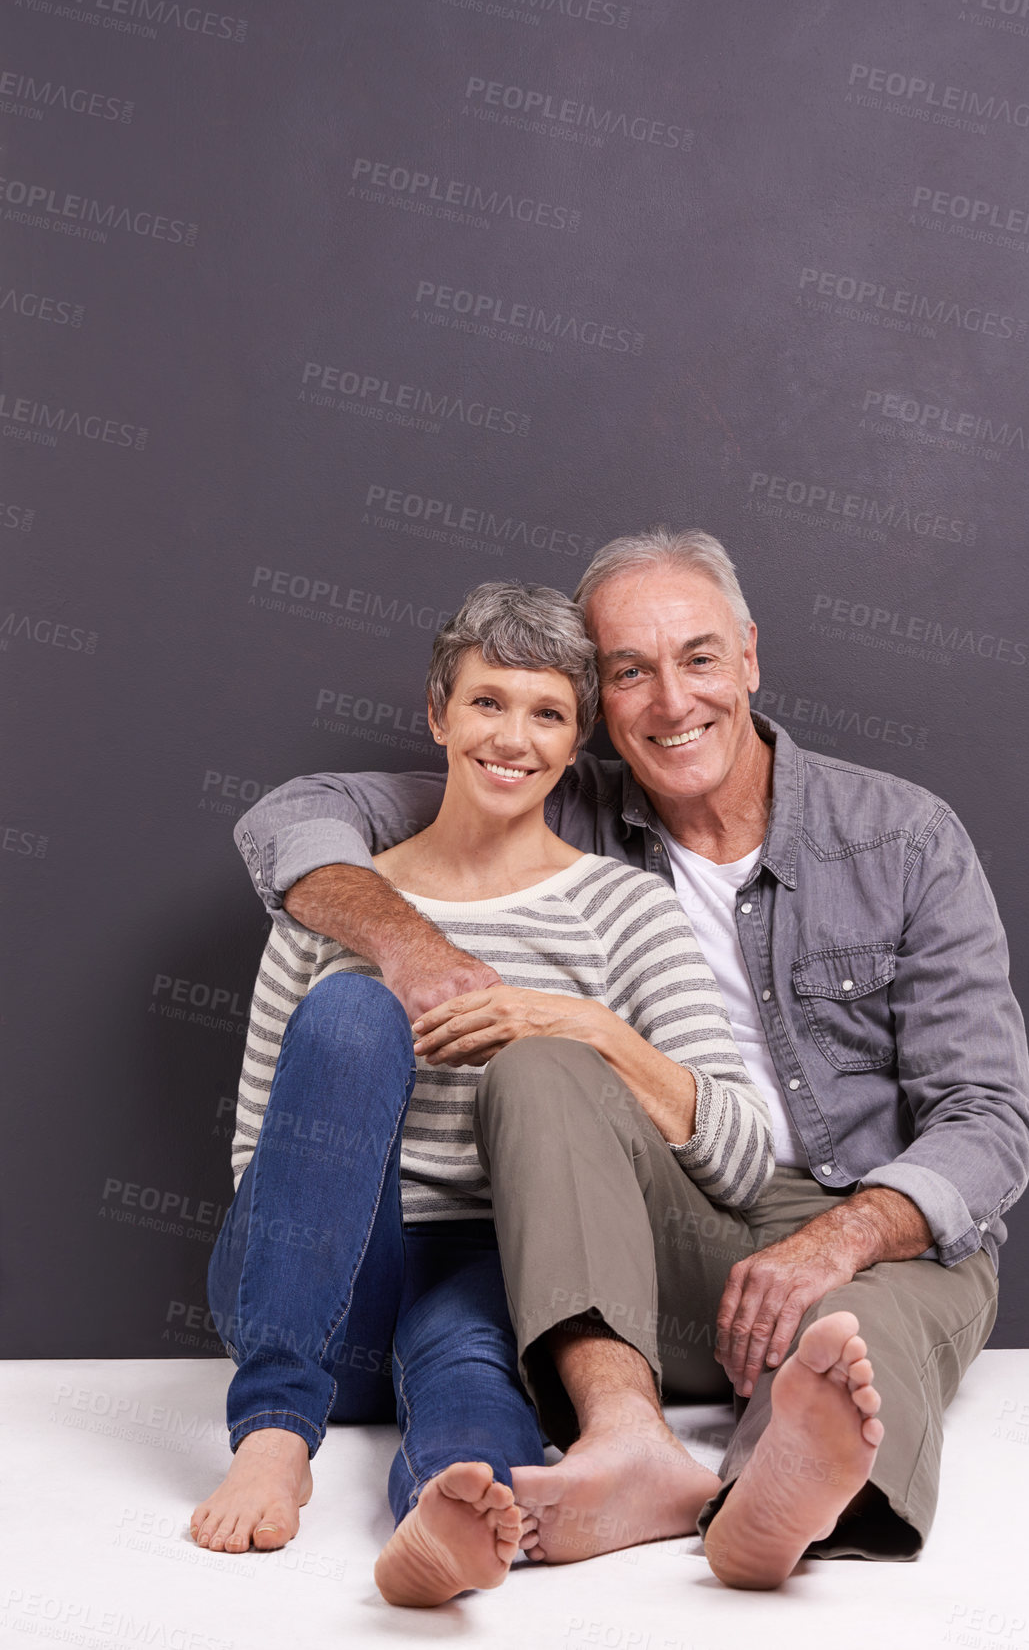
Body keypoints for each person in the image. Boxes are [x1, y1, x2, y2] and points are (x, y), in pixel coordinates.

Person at [234, 529, 1029, 1588]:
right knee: (537, 1064)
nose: (670, 701)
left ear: (749, 656)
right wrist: (414, 953)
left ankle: (775, 1503)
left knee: (848, 1329)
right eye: (628, 672)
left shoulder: (902, 836)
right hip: (653, 1232)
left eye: (698, 658)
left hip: (869, 1227)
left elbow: (988, 1118)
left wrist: (833, 1240)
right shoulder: (560, 796)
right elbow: (292, 818)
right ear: (598, 704)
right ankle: (626, 1444)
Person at [193, 580, 787, 1606]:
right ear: (438, 714)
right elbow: (260, 1156)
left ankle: (453, 1516)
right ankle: (276, 1432)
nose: (513, 737)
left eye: (548, 713)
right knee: (351, 1016)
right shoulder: (337, 899)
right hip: (317, 1277)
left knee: (471, 1372)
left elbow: (739, 1155)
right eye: (486, 702)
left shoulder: (623, 910)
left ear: (576, 744)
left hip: (501, 1274)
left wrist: (575, 1023)